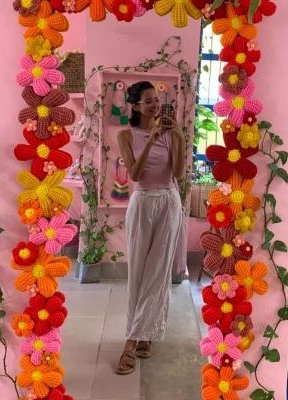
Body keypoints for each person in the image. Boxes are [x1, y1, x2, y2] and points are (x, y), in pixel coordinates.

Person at [116, 81, 186, 375]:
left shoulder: (171, 134)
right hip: (143, 202)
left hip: (168, 202)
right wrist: (151, 140)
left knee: (158, 272)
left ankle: (135, 340)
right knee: (139, 272)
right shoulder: (125, 135)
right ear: (135, 106)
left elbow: (178, 173)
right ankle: (141, 333)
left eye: (157, 100)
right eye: (148, 101)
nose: (155, 105)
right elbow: (134, 174)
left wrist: (178, 137)